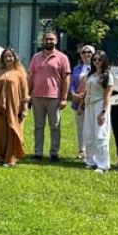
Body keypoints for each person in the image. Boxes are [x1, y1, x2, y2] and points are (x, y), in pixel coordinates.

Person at [28, 31, 71, 162]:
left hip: (54, 97)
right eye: (46, 39)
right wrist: (29, 95)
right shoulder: (36, 57)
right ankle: (38, 152)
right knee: (38, 126)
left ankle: (54, 153)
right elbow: (31, 77)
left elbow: (66, 79)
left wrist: (64, 98)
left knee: (55, 126)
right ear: (43, 41)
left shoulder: (62, 58)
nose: (49, 41)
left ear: (56, 41)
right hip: (37, 97)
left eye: (51, 39)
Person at [0, 47, 29, 168]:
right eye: (5, 56)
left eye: (10, 56)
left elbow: (25, 92)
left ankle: (10, 159)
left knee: (12, 131)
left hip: (14, 107)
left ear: (14, 57)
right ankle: (1, 157)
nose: (8, 59)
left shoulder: (20, 72)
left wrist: (24, 108)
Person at [81, 51, 113, 173]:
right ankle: (90, 161)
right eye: (95, 59)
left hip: (100, 105)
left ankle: (103, 165)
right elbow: (86, 92)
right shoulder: (90, 75)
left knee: (101, 135)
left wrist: (103, 112)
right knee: (88, 134)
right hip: (89, 106)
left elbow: (107, 96)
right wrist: (82, 104)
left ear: (104, 61)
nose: (97, 62)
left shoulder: (108, 76)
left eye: (100, 59)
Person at [70, 44, 94, 160]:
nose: (86, 54)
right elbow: (72, 84)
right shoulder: (76, 68)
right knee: (80, 126)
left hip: (90, 101)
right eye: (83, 52)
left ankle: (91, 151)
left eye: (89, 52)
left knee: (90, 126)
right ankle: (81, 150)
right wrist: (73, 93)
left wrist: (84, 95)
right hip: (77, 100)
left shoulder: (96, 68)